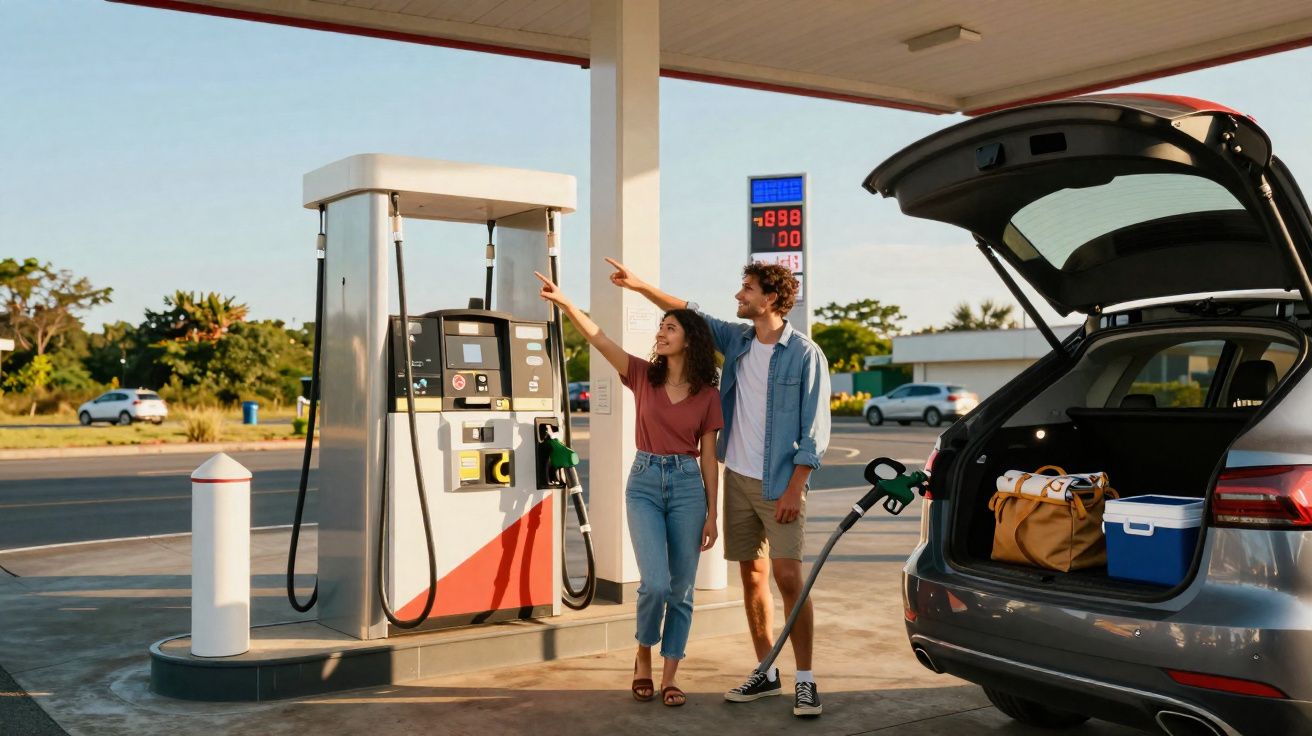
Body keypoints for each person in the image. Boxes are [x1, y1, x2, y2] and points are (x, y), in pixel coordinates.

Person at [605, 257, 830, 718]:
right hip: (739, 479)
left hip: (781, 482)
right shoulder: (737, 339)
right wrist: (639, 284)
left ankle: (806, 679)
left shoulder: (805, 353)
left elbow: (816, 429)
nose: (738, 295)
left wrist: (796, 487)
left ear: (770, 297)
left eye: (746, 288)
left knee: (789, 579)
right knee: (751, 578)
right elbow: (690, 311)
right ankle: (765, 669)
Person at [534, 270, 722, 708]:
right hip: (643, 482)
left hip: (688, 485)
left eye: (670, 327)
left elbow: (709, 457)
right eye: (661, 327)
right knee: (654, 583)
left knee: (682, 589)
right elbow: (599, 339)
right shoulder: (642, 375)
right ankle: (643, 655)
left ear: (689, 340)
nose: (661, 332)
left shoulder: (708, 394)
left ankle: (671, 672)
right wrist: (565, 303)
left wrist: (713, 512)